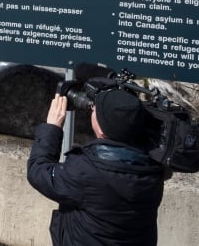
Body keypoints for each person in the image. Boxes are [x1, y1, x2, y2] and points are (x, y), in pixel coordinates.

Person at [27, 88, 166, 246]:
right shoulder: (155, 168)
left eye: (95, 110)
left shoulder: (85, 171)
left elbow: (38, 171)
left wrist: (52, 127)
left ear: (101, 128)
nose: (91, 109)